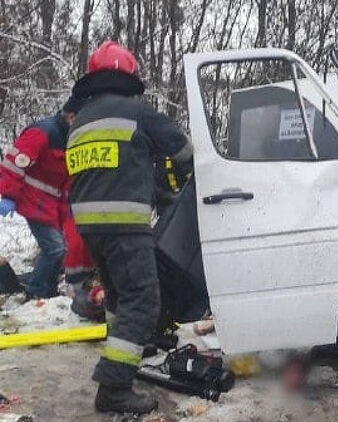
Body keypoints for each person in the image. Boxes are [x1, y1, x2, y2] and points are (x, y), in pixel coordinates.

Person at [67, 41, 193, 414]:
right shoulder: (137, 112)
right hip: (124, 223)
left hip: (90, 226)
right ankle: (114, 387)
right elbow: (183, 150)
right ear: (129, 77)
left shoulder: (81, 120)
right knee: (143, 299)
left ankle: (124, 350)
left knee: (119, 298)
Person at [0, 97, 85, 298]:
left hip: (53, 204)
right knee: (55, 249)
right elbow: (14, 164)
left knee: (60, 249)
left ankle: (43, 285)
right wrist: (8, 195)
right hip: (33, 200)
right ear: (71, 116)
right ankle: (37, 291)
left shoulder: (72, 137)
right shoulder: (42, 133)